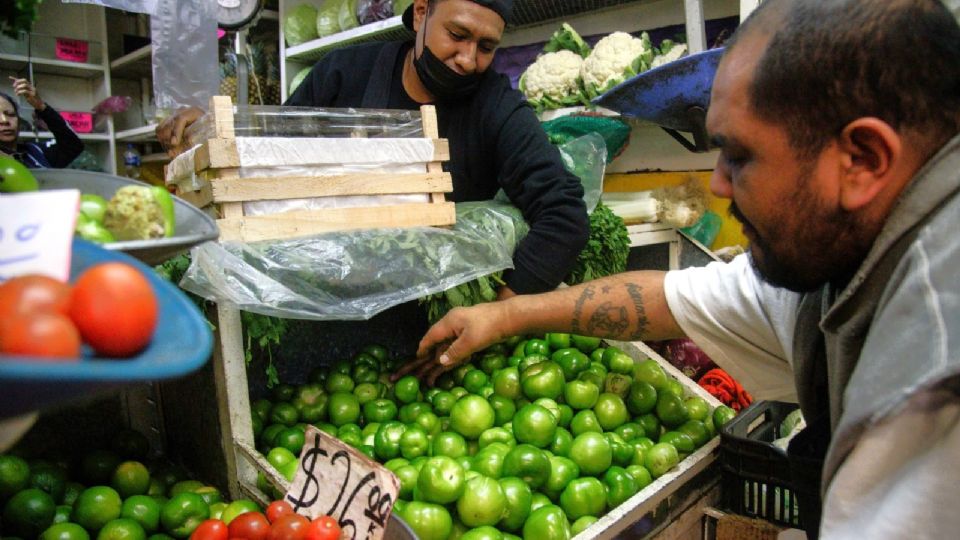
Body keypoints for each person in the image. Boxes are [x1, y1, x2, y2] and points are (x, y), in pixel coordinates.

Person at [405, 0, 960, 537]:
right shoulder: (853, 255)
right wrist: (506, 316)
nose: (716, 184)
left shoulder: (931, 368)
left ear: (862, 159)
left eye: (739, 156)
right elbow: (671, 299)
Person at [156, 0, 590, 299]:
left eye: (487, 47)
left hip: (437, 306)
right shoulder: (344, 76)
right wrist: (211, 137)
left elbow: (564, 214)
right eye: (457, 34)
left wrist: (499, 315)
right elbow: (266, 166)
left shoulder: (496, 106)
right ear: (421, 13)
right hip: (325, 292)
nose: (467, 58)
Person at [0, 77, 83, 168]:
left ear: (19, 120)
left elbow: (73, 145)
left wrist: (40, 106)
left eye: (11, 114)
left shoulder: (36, 151)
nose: (4, 120)